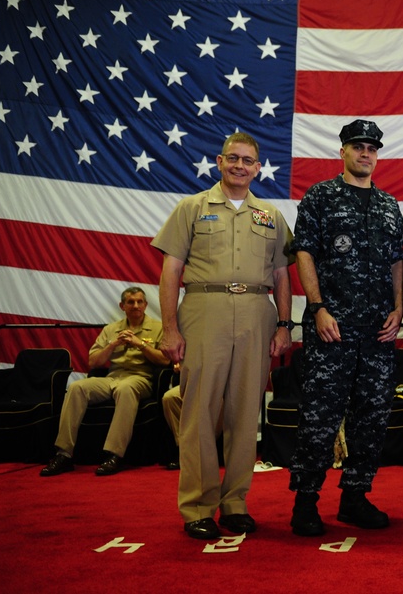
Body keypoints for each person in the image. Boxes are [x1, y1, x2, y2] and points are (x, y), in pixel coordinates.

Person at [153, 132, 294, 540]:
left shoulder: (270, 215)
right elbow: (170, 271)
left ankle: (235, 503)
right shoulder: (191, 208)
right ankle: (198, 505)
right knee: (198, 413)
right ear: (218, 161)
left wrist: (284, 324)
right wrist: (169, 328)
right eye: (233, 158)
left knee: (245, 413)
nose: (239, 166)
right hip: (204, 309)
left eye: (248, 160)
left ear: (257, 166)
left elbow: (283, 275)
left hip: (256, 313)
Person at [288, 119, 403, 537]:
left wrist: (398, 308)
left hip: (378, 331)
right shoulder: (320, 197)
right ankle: (305, 501)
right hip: (331, 328)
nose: (365, 153)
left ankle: (355, 497)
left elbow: (397, 261)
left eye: (372, 147)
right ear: (342, 151)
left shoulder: (389, 205)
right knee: (320, 417)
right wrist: (318, 308)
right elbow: (303, 252)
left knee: (371, 417)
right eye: (357, 146)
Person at [40, 287, 169, 477]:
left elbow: (165, 360)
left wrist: (139, 344)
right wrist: (113, 344)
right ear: (122, 306)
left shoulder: (159, 328)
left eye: (139, 302)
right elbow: (93, 362)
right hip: (111, 377)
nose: (135, 306)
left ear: (145, 305)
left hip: (140, 378)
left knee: (125, 389)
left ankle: (114, 455)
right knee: (77, 387)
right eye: (131, 302)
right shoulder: (111, 329)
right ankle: (64, 454)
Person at [160, 383, 224, 470]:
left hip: (220, 384)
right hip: (195, 381)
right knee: (170, 397)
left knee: (216, 398)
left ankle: (207, 448)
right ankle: (186, 452)